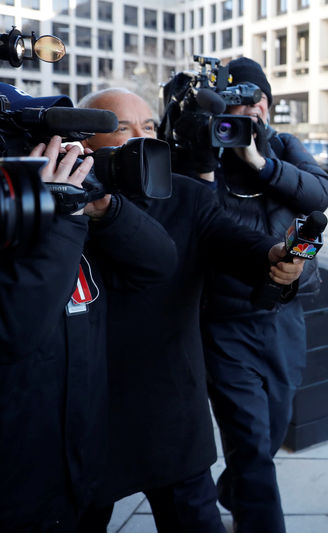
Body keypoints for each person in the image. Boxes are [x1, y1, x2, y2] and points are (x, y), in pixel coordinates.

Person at [76, 87, 306, 533]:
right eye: (121, 128)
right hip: (90, 415)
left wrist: (277, 256)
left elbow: (237, 241)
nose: (140, 138)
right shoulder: (65, 205)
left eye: (148, 127)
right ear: (84, 142)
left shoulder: (188, 197)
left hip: (171, 413)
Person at [0, 85, 177, 531]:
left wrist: (100, 205)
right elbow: (16, 330)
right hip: (18, 491)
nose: (52, 155)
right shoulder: (44, 225)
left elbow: (160, 262)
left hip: (83, 475)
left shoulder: (73, 216)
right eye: (30, 145)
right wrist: (57, 216)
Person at [193, 57, 328, 533]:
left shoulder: (284, 147)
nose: (242, 117)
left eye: (251, 104)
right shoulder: (205, 152)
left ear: (266, 106)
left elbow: (319, 195)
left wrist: (261, 163)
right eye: (231, 108)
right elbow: (201, 224)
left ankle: (235, 488)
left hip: (282, 315)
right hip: (225, 319)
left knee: (272, 428)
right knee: (250, 440)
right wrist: (211, 160)